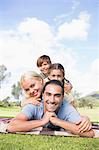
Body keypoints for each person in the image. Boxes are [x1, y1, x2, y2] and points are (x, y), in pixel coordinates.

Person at [7, 73, 94, 137]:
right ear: (43, 94)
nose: (32, 91)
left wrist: (58, 121)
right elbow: (11, 126)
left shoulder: (66, 105)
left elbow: (89, 132)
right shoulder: (33, 103)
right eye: (48, 94)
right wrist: (42, 121)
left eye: (57, 95)